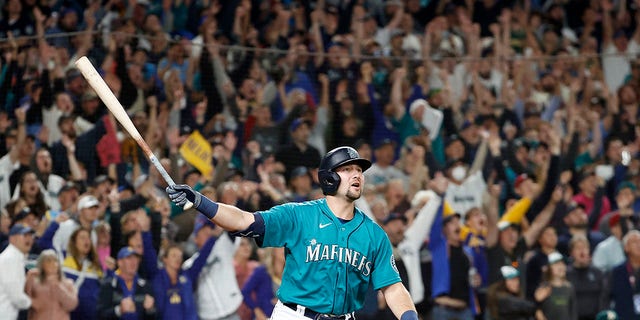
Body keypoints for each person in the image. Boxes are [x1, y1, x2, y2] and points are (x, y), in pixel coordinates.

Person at [167, 146, 419, 320]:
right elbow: (244, 220)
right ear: (329, 178)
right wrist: (201, 201)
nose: (356, 175)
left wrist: (409, 317)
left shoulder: (374, 234)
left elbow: (393, 288)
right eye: (347, 169)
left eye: (359, 171)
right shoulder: (298, 216)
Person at [97, 246, 156, 319]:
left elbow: (154, 316)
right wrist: (118, 310)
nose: (133, 262)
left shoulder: (145, 286)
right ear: (120, 262)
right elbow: (100, 314)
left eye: (135, 258)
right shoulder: (109, 285)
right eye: (129, 258)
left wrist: (150, 310)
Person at [25, 249, 78, 320]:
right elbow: (24, 301)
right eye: (49, 261)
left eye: (55, 261)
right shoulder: (34, 282)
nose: (53, 263)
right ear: (42, 264)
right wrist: (29, 278)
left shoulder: (68, 283)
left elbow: (71, 305)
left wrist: (57, 286)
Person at [0, 224, 35, 319]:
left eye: (30, 236)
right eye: (24, 235)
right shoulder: (10, 259)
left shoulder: (15, 257)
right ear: (12, 239)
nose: (29, 239)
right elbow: (16, 296)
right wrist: (34, 304)